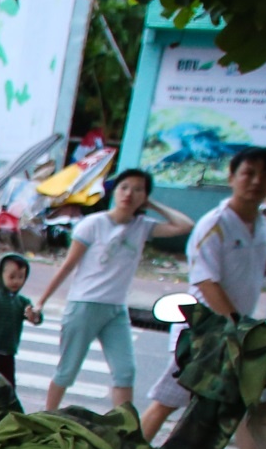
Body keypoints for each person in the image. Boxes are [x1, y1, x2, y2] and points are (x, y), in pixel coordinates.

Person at [139, 146, 266, 439]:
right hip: (203, 330)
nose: (257, 181)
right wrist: (238, 328)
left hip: (232, 332)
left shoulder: (261, 225)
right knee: (168, 401)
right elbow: (207, 282)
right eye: (249, 173)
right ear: (232, 177)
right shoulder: (214, 224)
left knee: (233, 405)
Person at [26, 168, 194, 410]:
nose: (129, 194)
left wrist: (153, 205)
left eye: (138, 190)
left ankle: (123, 430)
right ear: (114, 191)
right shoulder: (92, 224)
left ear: (144, 197)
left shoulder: (143, 226)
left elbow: (185, 225)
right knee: (67, 371)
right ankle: (46, 418)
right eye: (124, 187)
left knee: (125, 372)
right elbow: (67, 267)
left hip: (116, 310)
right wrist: (41, 302)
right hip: (85, 305)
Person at [0, 252, 37, 385]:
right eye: (12, 277)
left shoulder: (22, 302)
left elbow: (36, 318)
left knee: (8, 385)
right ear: (1, 275)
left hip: (8, 352)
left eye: (21, 277)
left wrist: (33, 316)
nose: (16, 281)